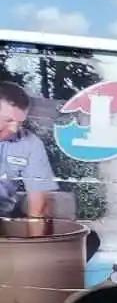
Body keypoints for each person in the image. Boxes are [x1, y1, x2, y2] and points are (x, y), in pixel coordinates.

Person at [0, 80, 58, 223]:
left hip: (3, 220)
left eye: (19, 123)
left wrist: (35, 241)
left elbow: (38, 198)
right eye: (8, 120)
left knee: (90, 238)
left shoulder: (31, 144)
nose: (14, 129)